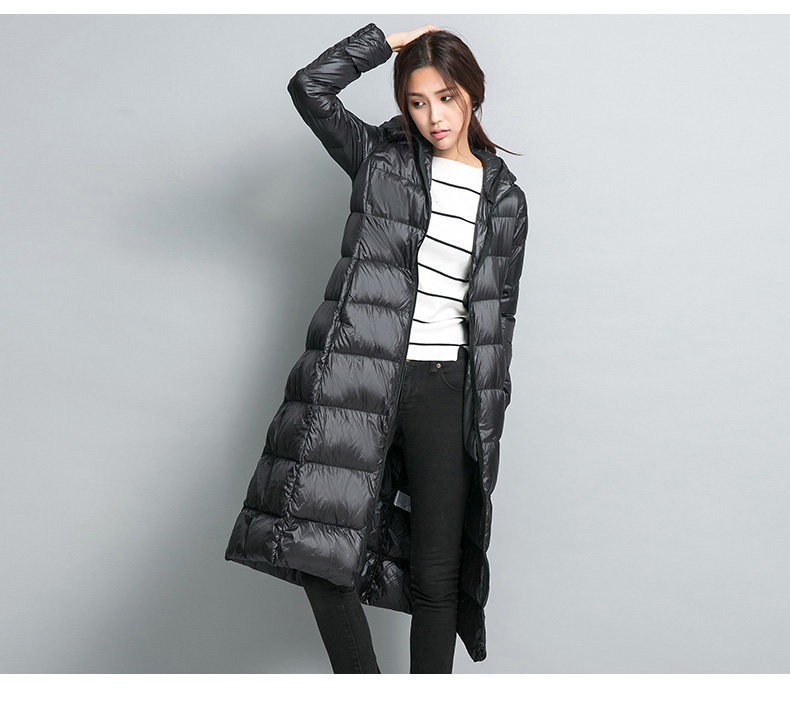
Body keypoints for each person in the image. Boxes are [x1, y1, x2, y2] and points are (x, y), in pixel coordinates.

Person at [225, 22, 529, 674]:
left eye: (446, 97)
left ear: (472, 93)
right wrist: (384, 43)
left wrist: (487, 412)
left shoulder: (506, 199)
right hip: (358, 378)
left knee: (437, 575)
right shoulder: (380, 159)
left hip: (447, 387)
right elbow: (310, 88)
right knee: (319, 551)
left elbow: (499, 316)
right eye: (417, 102)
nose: (434, 116)